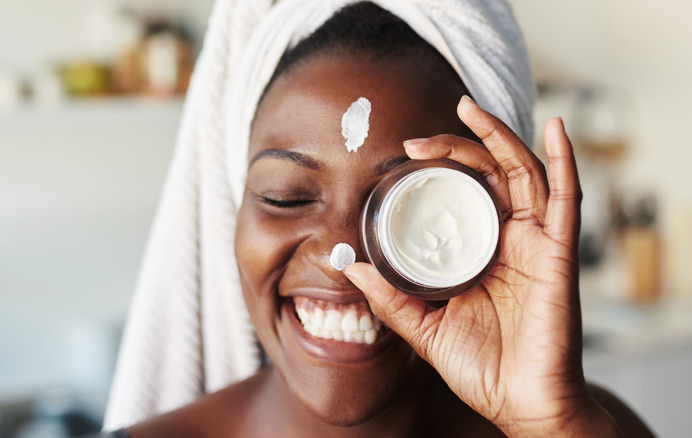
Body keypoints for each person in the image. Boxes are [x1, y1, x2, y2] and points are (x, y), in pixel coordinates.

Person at [103, 1, 655, 436]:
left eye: (408, 203)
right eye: (286, 196)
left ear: (498, 219)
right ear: (234, 206)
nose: (344, 260)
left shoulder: (589, 429)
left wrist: (551, 429)